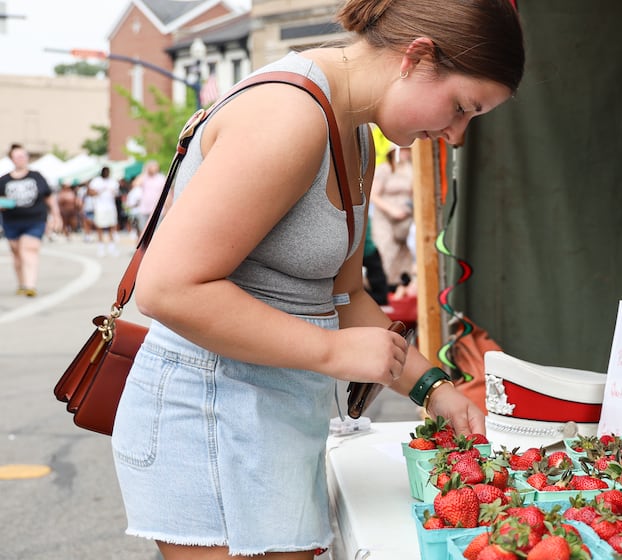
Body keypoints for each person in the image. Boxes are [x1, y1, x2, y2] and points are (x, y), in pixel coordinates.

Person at [111, 0, 524, 558]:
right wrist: (330, 353)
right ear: (417, 56)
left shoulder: (351, 128)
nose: (456, 136)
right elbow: (167, 289)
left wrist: (436, 390)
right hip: (211, 419)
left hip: (267, 417)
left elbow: (345, 294)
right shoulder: (289, 115)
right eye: (461, 107)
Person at [0, 144, 62, 296]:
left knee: (28, 249)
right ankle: (22, 283)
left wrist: (56, 215)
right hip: (11, 221)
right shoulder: (3, 180)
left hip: (35, 220)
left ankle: (30, 285)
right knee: (17, 253)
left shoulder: (36, 176)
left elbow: (49, 198)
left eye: (23, 156)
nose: (21, 159)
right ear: (12, 159)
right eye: (17, 156)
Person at [370, 144, 415, 287]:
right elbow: (372, 195)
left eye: (408, 149)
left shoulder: (411, 170)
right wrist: (391, 210)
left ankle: (399, 294)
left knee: (402, 262)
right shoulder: (385, 169)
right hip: (385, 221)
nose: (406, 153)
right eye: (403, 149)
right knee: (385, 256)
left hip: (404, 222)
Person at [87, 166, 119, 257]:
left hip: (110, 207)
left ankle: (111, 247)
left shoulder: (113, 182)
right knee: (100, 227)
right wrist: (99, 192)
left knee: (111, 227)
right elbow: (89, 192)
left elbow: (116, 193)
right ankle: (101, 248)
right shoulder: (96, 181)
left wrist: (113, 192)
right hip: (100, 208)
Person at [132, 160, 167, 235]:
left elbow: (166, 194)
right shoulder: (144, 177)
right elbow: (135, 184)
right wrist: (145, 172)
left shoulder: (161, 178)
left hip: (157, 209)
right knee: (143, 231)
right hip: (144, 209)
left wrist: (167, 208)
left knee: (155, 232)